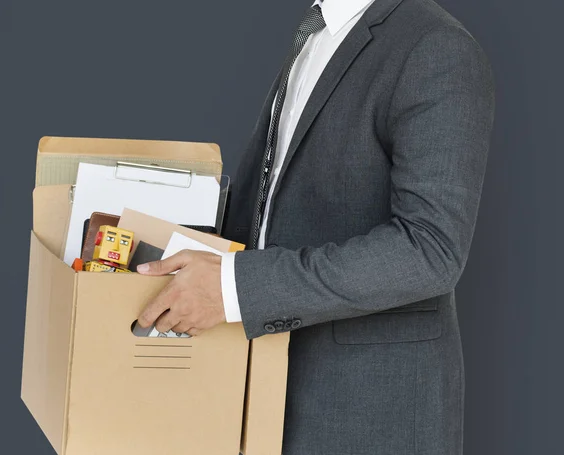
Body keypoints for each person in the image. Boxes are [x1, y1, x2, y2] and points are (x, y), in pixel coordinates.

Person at [136, 0, 495, 453]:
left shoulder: (435, 47)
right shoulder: (315, 34)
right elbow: (273, 207)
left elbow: (430, 250)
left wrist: (233, 290)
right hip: (267, 388)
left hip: (369, 416)